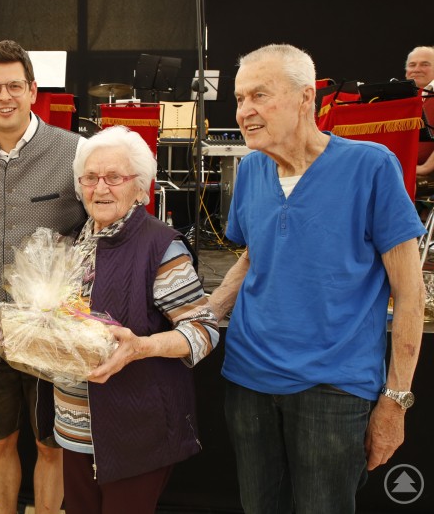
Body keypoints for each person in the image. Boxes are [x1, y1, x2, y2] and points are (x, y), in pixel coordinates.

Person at [209, 44, 426, 513]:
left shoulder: (371, 166)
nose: (245, 111)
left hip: (334, 387)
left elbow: (410, 293)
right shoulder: (250, 171)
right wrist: (204, 314)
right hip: (248, 380)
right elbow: (252, 258)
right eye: (240, 98)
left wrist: (395, 400)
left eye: (259, 96)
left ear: (306, 98)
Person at [47, 125, 219, 513]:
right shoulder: (76, 241)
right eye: (90, 177)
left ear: (141, 188)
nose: (100, 187)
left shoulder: (161, 246)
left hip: (134, 430)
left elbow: (204, 330)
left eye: (115, 177)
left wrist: (141, 347)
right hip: (74, 425)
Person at [0, 39, 86, 514]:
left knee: (52, 444)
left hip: (54, 325)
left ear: (33, 91)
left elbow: (103, 226)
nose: (4, 96)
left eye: (15, 85)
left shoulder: (75, 150)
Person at [406, 47, 434, 194]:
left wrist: (425, 168)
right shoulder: (404, 98)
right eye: (412, 65)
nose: (416, 69)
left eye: (425, 64)